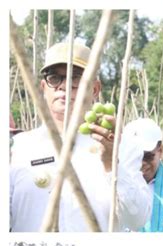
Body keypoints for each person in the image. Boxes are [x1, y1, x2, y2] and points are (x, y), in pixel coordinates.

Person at [10, 42, 150, 232]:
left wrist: (111, 163)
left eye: (76, 78)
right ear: (44, 87)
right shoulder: (19, 147)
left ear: (94, 89)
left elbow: (137, 220)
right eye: (54, 78)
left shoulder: (122, 145)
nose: (64, 86)